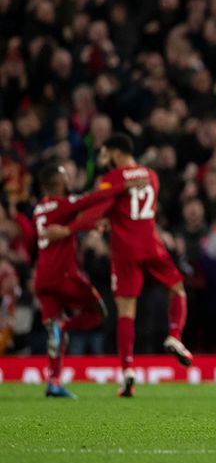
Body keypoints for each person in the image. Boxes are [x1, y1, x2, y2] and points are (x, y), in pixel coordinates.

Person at [44, 134, 192, 398]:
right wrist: (111, 220)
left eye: (105, 152)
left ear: (116, 152)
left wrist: (70, 228)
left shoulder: (113, 178)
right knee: (178, 289)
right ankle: (175, 336)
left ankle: (127, 371)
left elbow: (96, 205)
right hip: (151, 243)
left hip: (125, 251)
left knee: (126, 310)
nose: (103, 158)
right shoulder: (151, 175)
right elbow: (132, 210)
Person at [34, 163, 143, 398]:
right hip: (62, 276)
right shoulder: (64, 204)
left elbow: (72, 220)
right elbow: (93, 199)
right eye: (64, 176)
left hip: (42, 279)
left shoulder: (40, 209)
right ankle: (63, 327)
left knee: (55, 331)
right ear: (57, 183)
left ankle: (53, 382)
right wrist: (123, 186)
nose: (68, 178)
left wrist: (94, 224)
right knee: (97, 312)